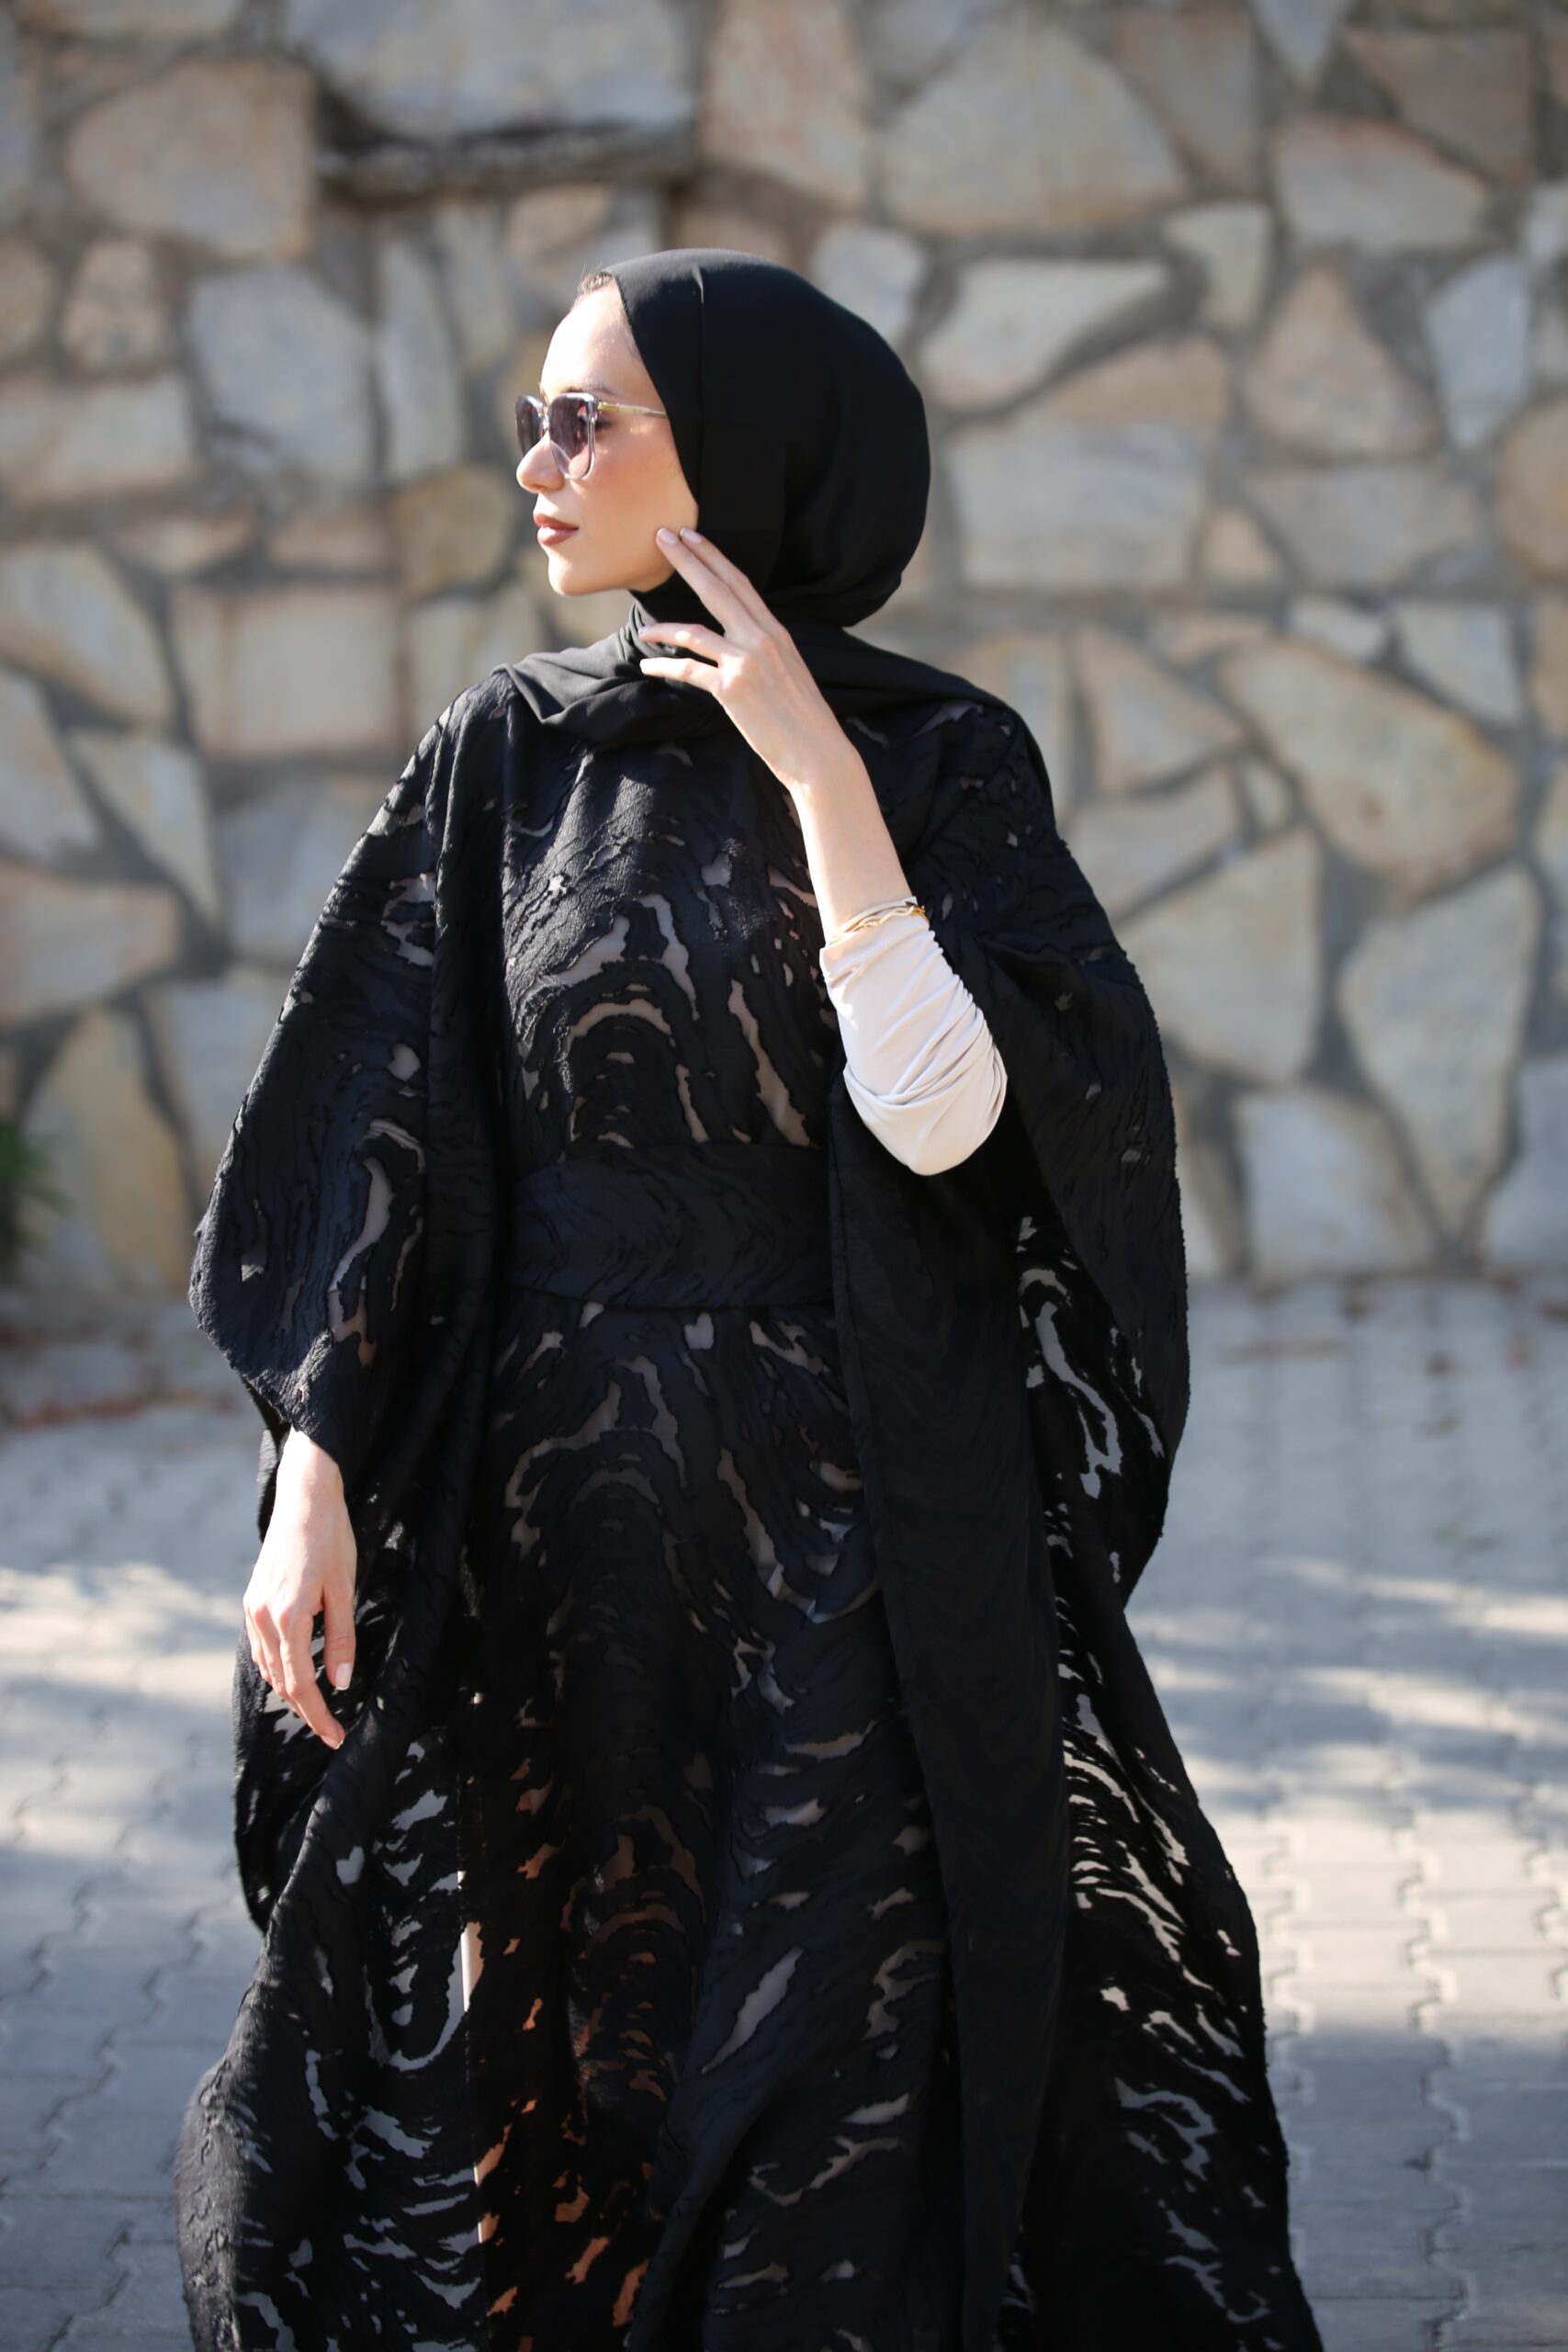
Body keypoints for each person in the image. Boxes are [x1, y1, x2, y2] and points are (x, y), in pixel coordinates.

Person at [174, 248, 1323, 2352]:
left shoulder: (935, 756)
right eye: (532, 417)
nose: (536, 463)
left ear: (740, 451)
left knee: (825, 2071)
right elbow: (375, 1132)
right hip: (542, 1554)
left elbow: (955, 1120)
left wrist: (815, 773)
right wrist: (314, 1469)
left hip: (849, 1536)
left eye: (584, 418)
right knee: (559, 2063)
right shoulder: (504, 756)